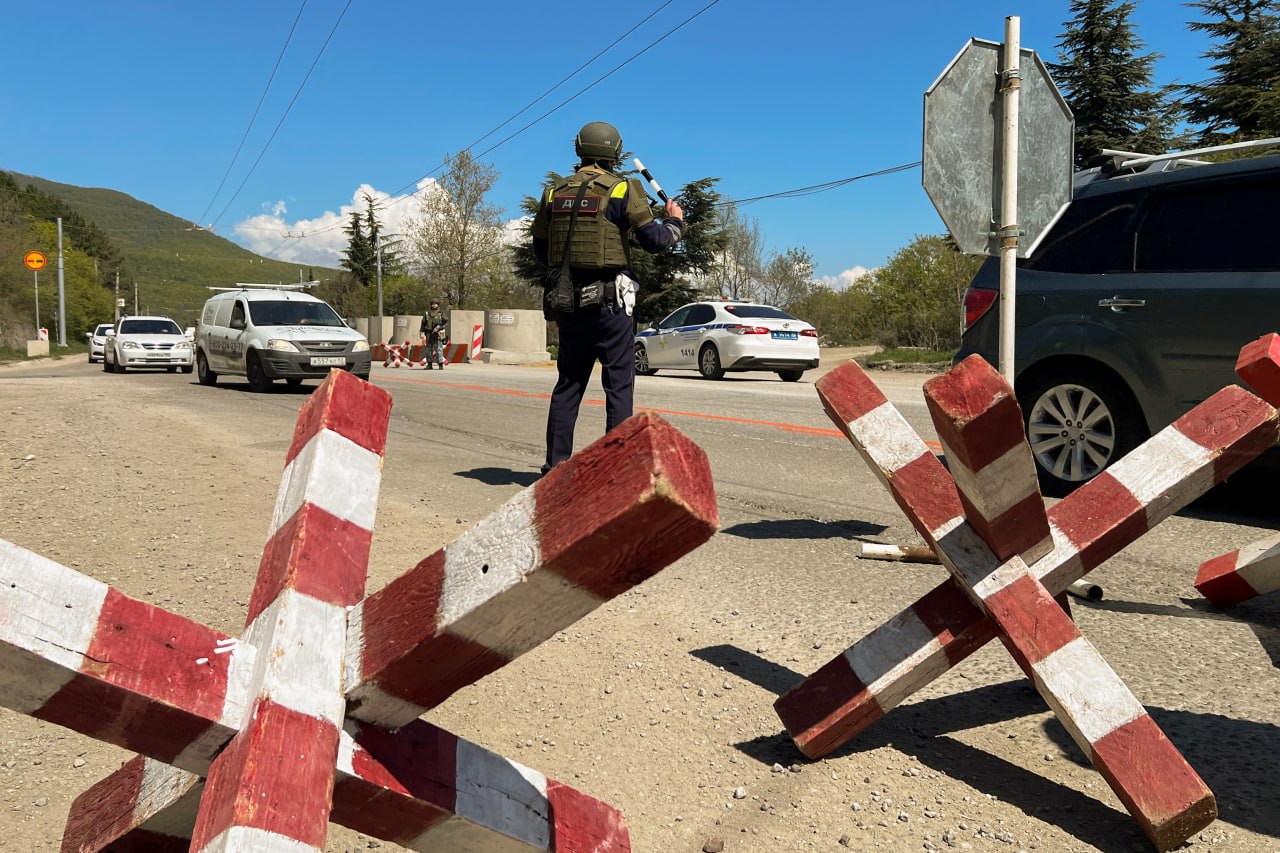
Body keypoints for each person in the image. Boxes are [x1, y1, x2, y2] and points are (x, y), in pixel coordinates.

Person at [530, 120, 685, 475]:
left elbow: (542, 250)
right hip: (610, 303)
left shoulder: (554, 192)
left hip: (568, 301)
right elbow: (654, 241)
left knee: (568, 383)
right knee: (618, 384)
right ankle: (616, 470)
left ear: (580, 149)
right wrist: (674, 223)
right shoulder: (622, 188)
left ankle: (555, 466)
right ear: (615, 152)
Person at [419, 299, 448, 369]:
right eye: (433, 303)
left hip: (438, 333)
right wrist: (421, 332)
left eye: (435, 303)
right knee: (428, 349)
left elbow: (445, 321)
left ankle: (440, 365)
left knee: (439, 349)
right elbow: (423, 323)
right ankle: (429, 364)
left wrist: (438, 327)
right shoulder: (427, 313)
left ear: (438, 305)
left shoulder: (441, 313)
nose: (434, 305)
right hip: (428, 333)